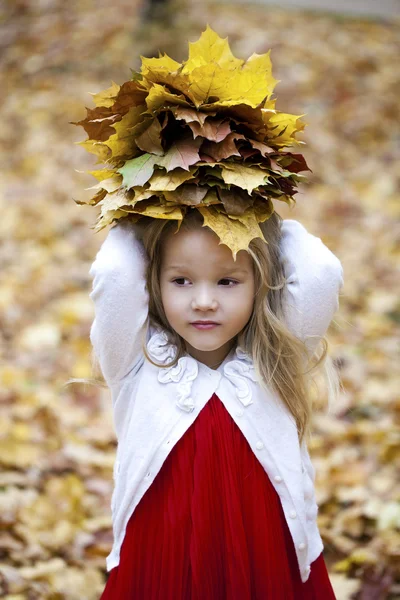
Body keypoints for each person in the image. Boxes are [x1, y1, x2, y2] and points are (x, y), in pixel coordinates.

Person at [86, 206, 343, 599]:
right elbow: (114, 275)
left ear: (262, 282)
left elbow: (320, 272)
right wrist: (143, 211)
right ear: (154, 281)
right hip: (161, 560)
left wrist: (260, 217)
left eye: (227, 281)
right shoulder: (137, 361)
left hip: (266, 558)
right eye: (181, 280)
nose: (203, 301)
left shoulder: (275, 359)